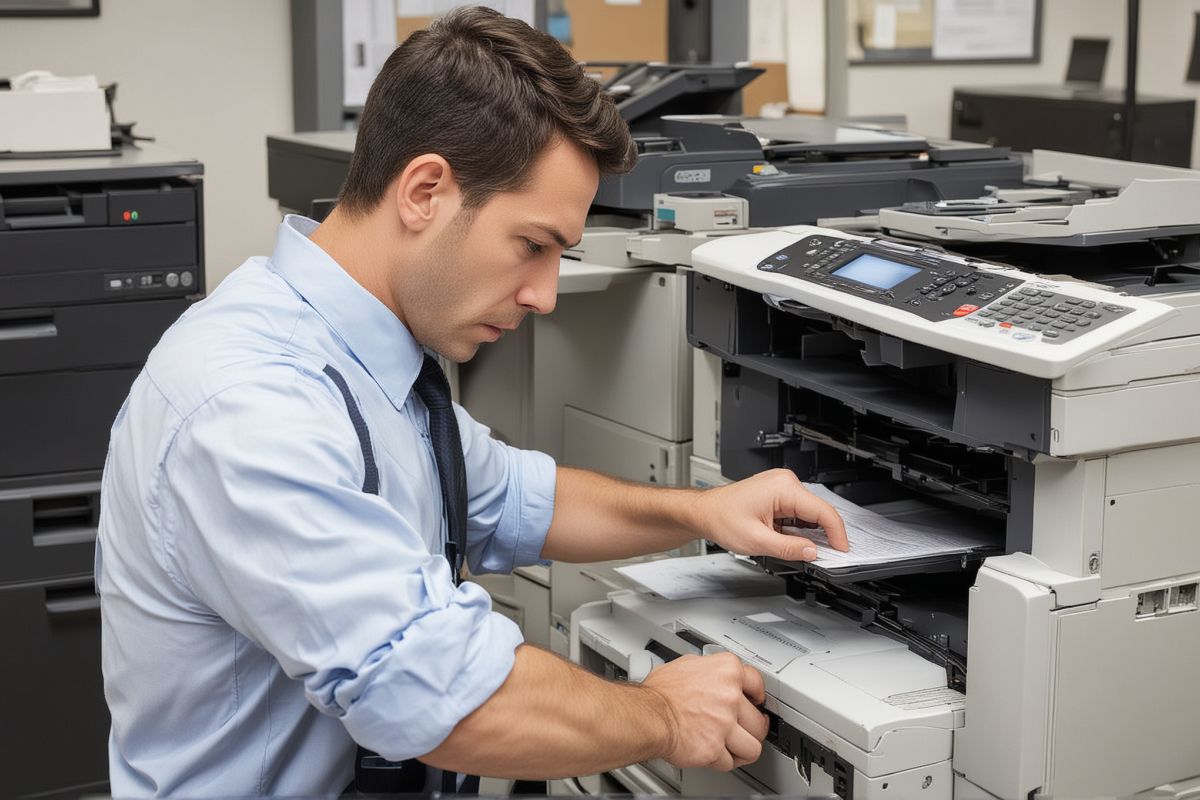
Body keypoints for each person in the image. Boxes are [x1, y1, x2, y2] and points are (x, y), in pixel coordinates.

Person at [96, 6, 849, 797]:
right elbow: (434, 697)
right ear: (424, 191)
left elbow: (512, 497)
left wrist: (702, 511)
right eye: (532, 246)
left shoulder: (369, 361)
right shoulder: (252, 406)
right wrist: (664, 713)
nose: (544, 295)